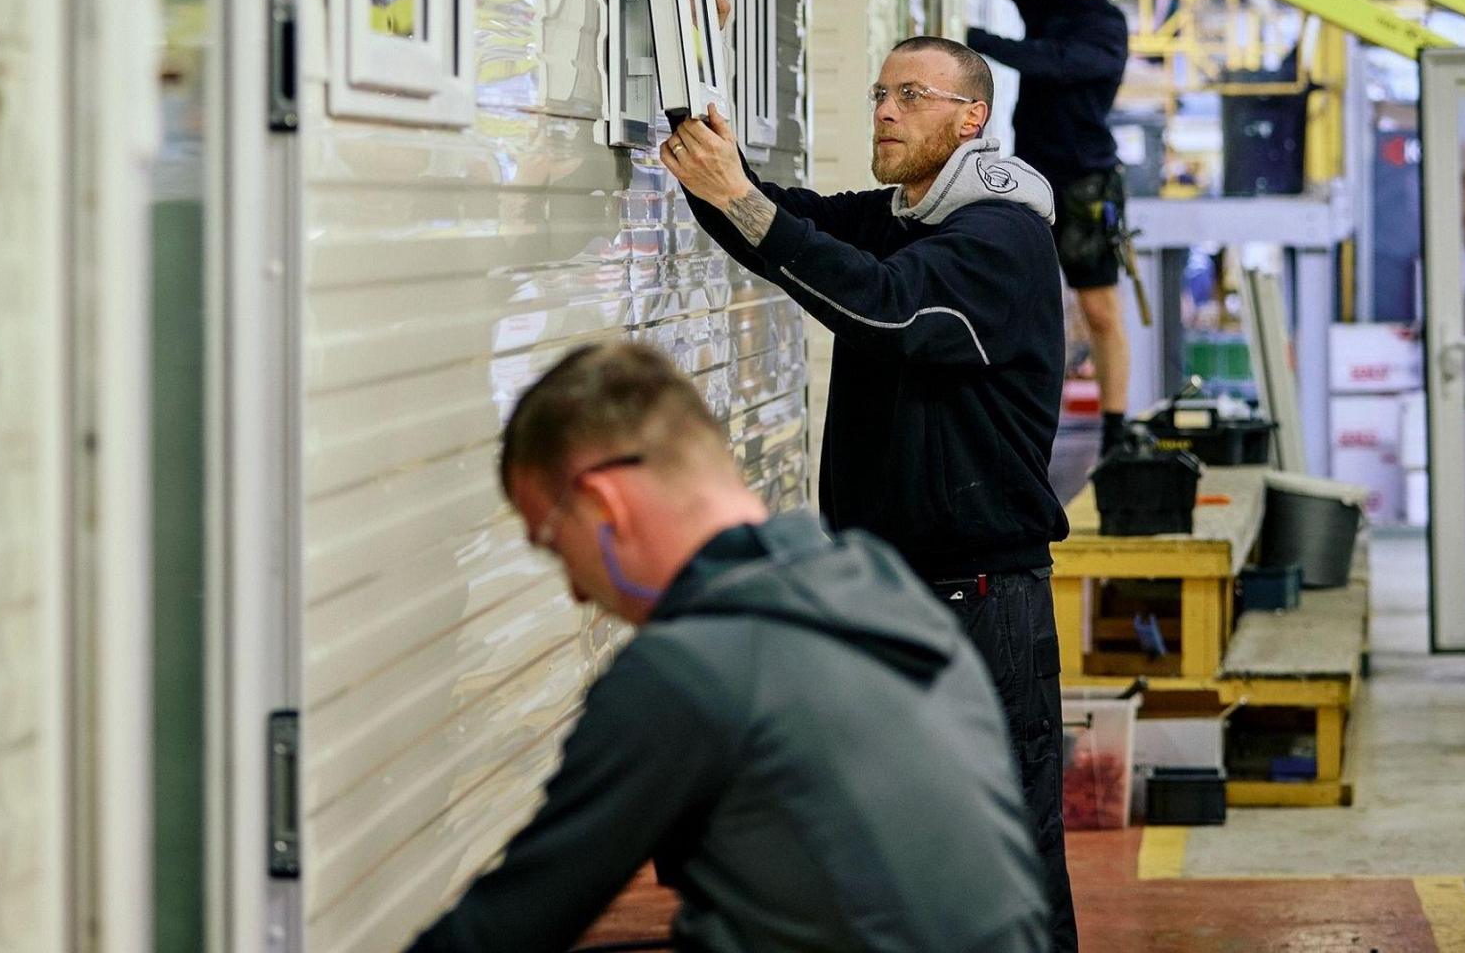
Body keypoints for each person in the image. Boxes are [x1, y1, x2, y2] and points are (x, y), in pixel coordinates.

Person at [407, 341, 1051, 953]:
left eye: (554, 542)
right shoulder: (878, 586)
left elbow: (506, 929)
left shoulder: (687, 671)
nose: (575, 591)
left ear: (604, 506)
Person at [657, 36, 1080, 951]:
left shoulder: (998, 238)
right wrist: (697, 132)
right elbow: (779, 226)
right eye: (880, 93)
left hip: (974, 600)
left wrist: (746, 202)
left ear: (972, 118)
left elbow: (893, 309)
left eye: (912, 96)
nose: (884, 111)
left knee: (998, 846)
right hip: (893, 588)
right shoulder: (906, 215)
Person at [961, 0, 1139, 454]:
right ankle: (1013, 419)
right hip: (1030, 177)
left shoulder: (1107, 30)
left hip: (1086, 184)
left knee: (1099, 310)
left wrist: (975, 41)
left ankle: (1113, 429)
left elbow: (1052, 62)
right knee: (1020, 300)